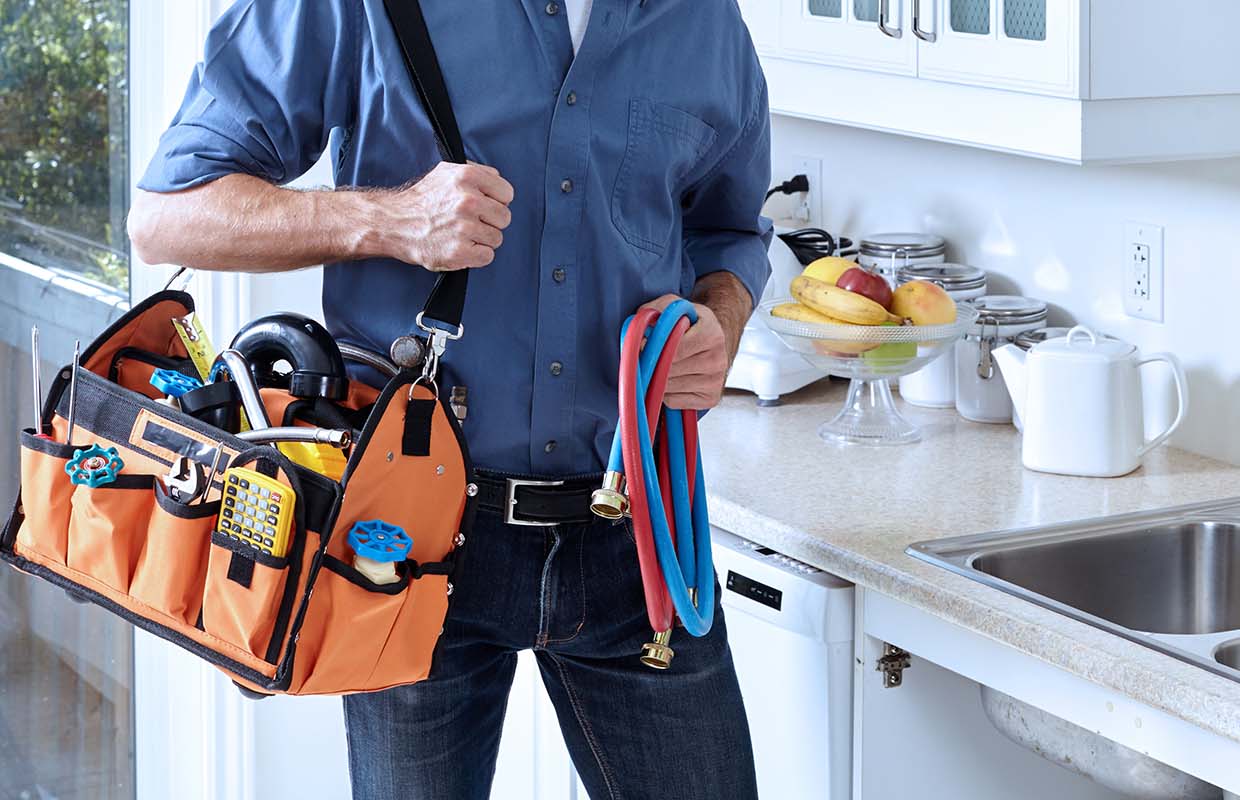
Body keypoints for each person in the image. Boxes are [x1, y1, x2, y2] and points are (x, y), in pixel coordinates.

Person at [126, 1, 768, 797]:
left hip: (637, 532)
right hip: (406, 533)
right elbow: (166, 216)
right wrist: (388, 219)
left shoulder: (703, 19)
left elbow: (729, 230)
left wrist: (721, 319)